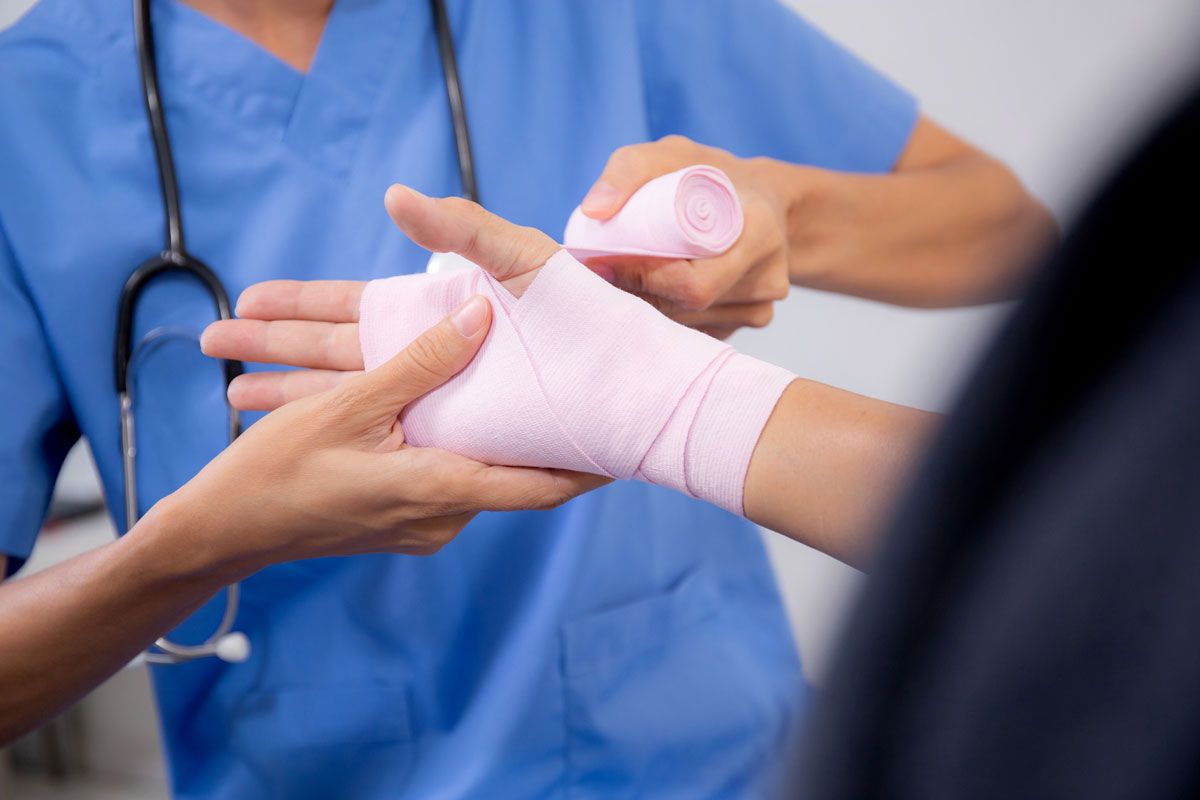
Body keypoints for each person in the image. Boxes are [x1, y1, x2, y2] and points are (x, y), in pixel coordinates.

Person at [0, 0, 1048, 795]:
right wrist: (195, 545)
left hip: (732, 761)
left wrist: (780, 211)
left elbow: (1011, 225)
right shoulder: (28, 115)